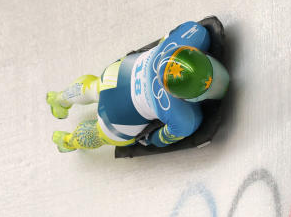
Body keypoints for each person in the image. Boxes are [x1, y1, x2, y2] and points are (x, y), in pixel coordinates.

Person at [46, 18, 230, 153]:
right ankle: (69, 140)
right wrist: (149, 139)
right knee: (102, 134)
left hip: (119, 72)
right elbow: (161, 139)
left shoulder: (194, 32)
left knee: (94, 86)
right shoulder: (185, 119)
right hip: (120, 117)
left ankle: (60, 98)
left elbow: (171, 35)